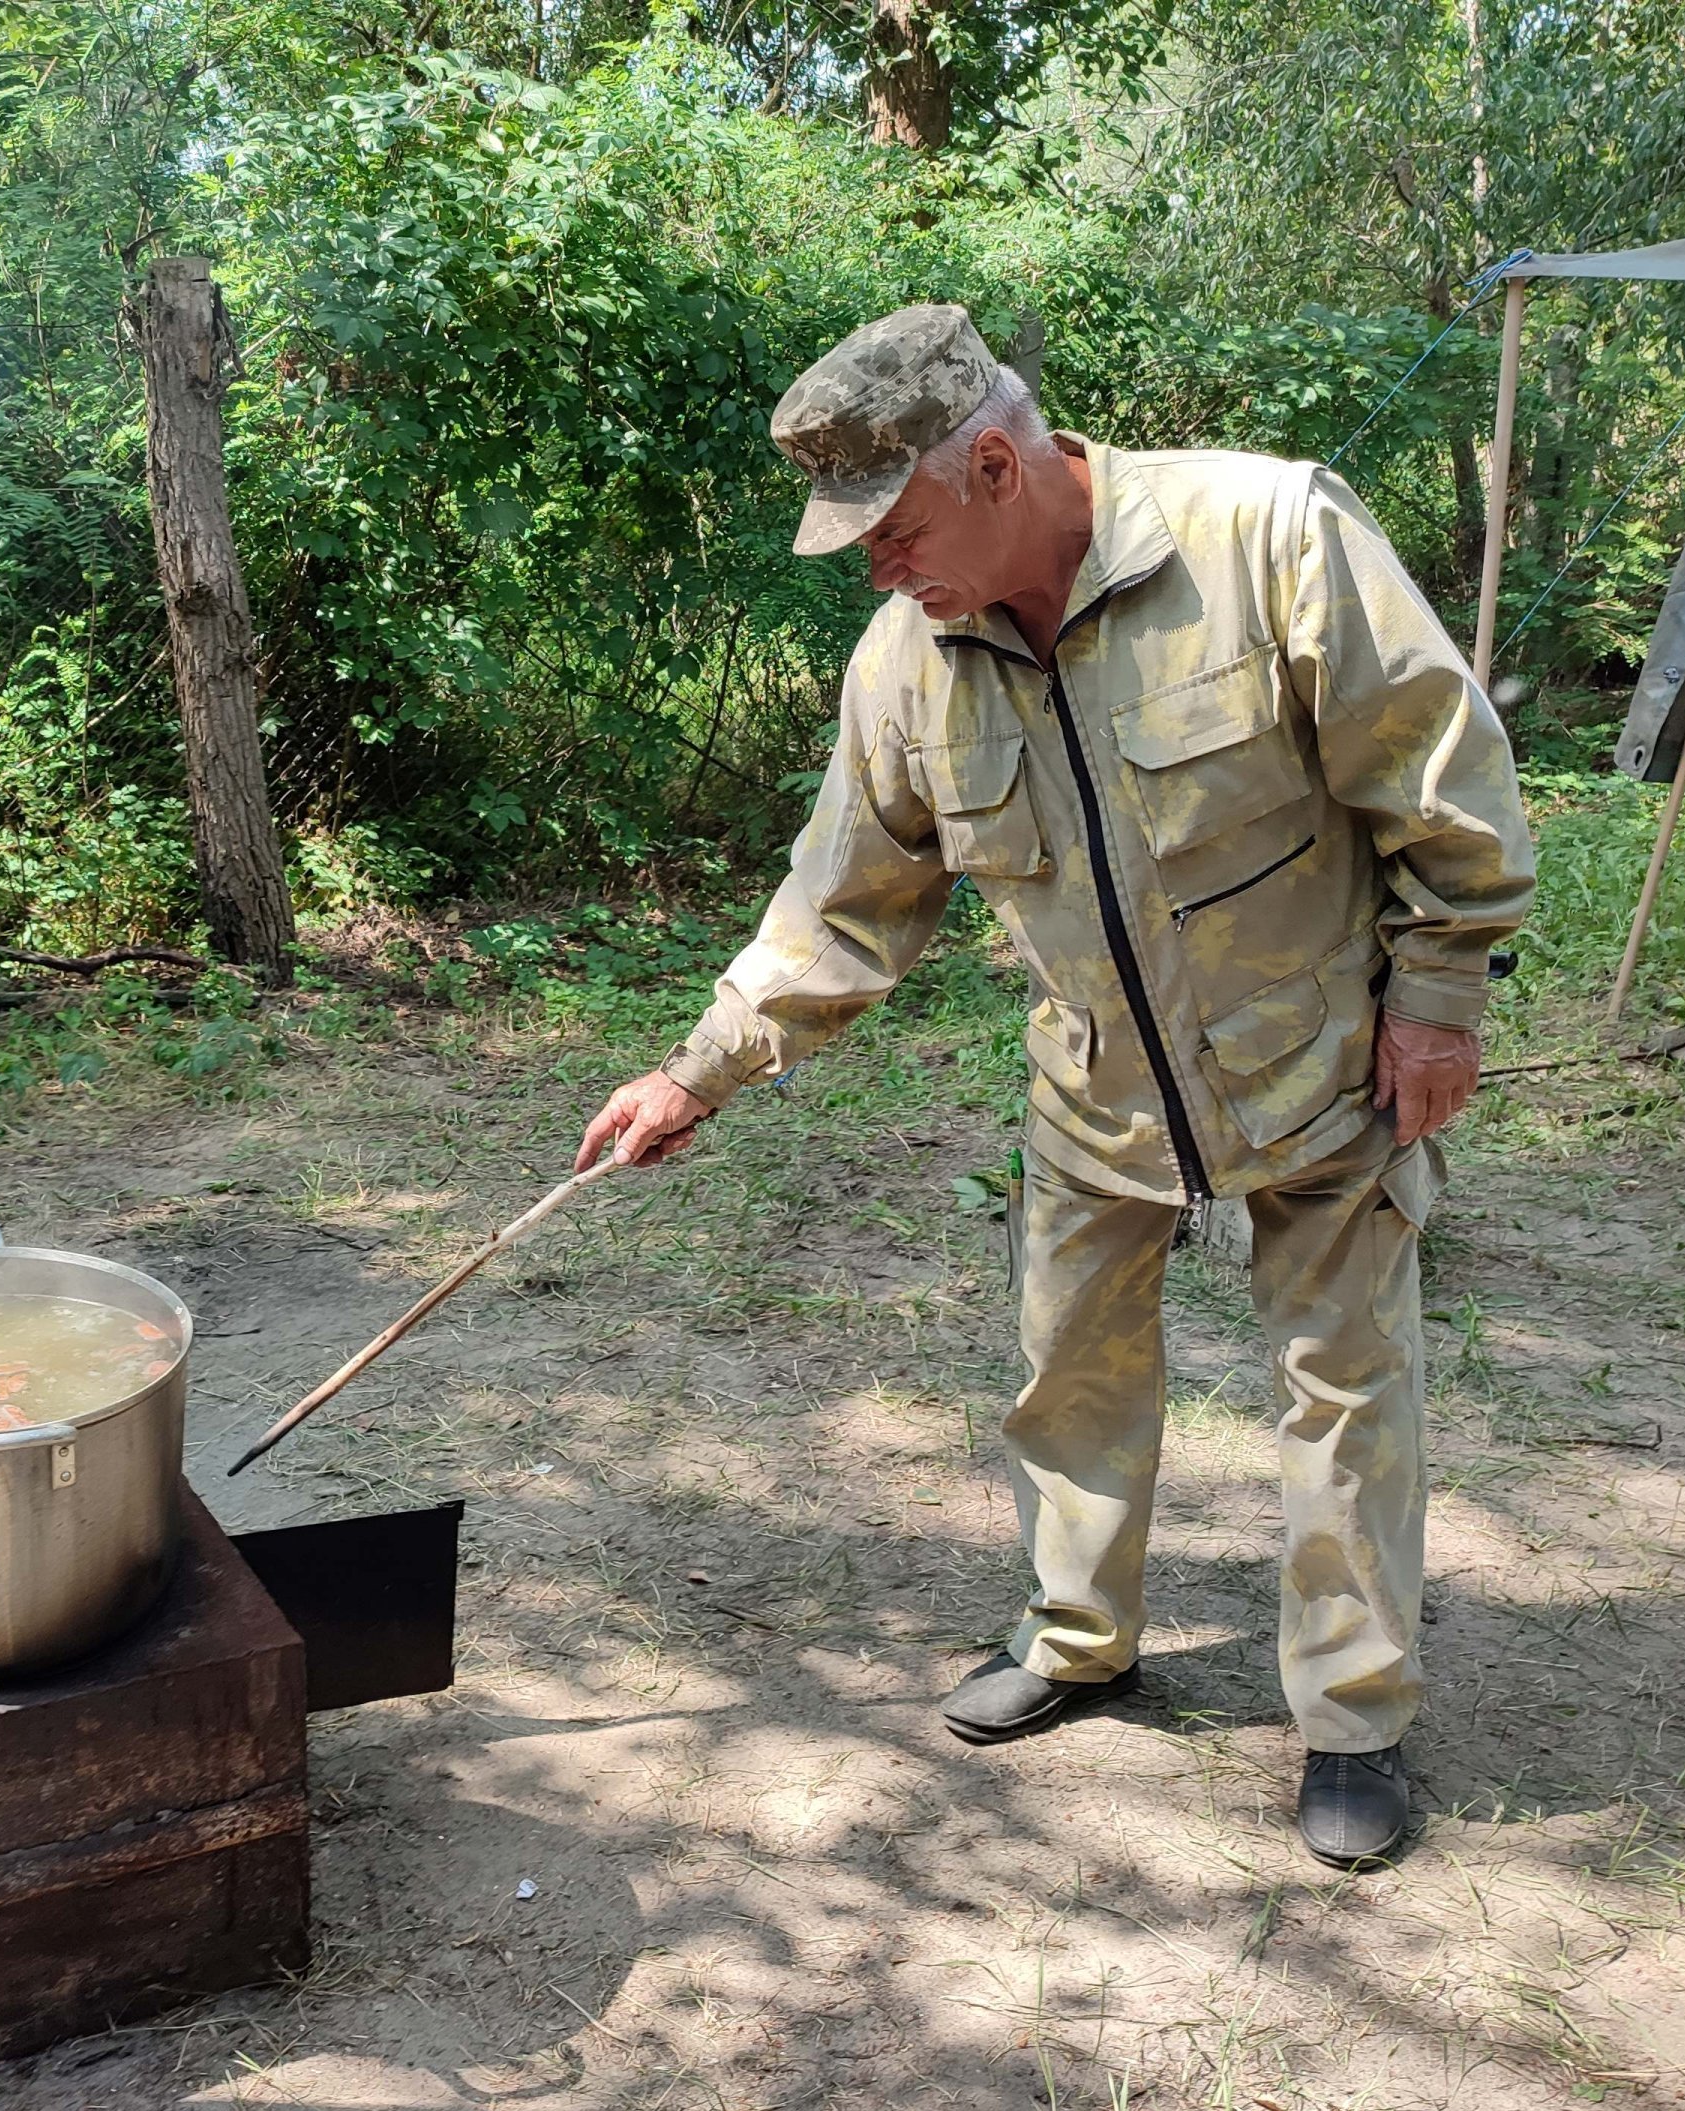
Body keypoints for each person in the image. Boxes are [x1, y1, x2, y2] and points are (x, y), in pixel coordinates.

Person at [575, 305, 1535, 1868]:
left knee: (1344, 1388)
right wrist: (698, 1070)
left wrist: (1440, 996)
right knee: (1066, 1373)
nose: (876, 568)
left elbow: (1439, 770)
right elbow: (842, 906)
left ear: (1001, 463)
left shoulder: (1268, 533)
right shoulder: (908, 663)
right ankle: (1081, 1637)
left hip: (1322, 1057)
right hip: (1095, 1085)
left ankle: (1355, 1717)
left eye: (890, 530)